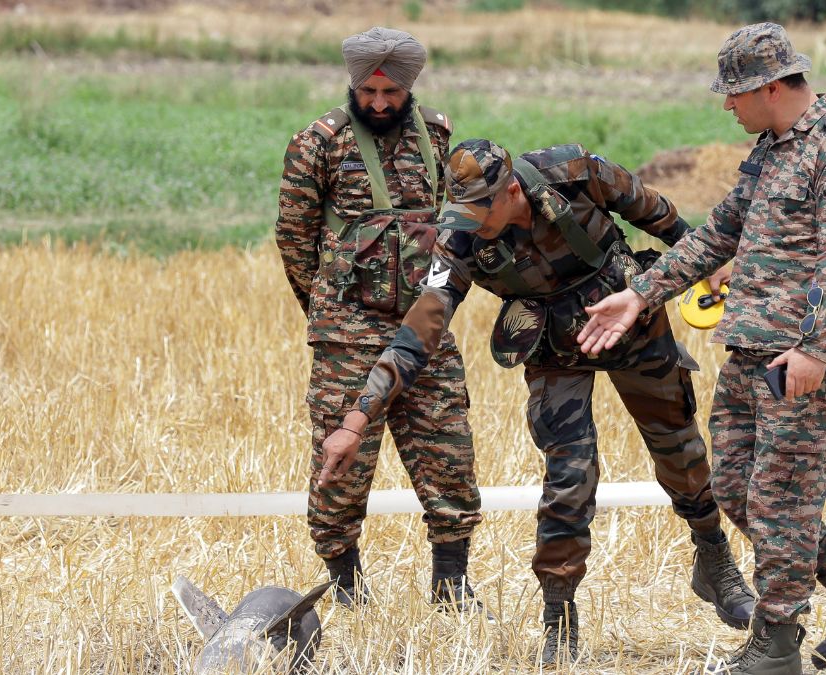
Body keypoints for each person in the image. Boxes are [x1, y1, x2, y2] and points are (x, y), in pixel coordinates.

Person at [320, 138, 756, 664]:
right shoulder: (459, 240)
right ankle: (559, 617)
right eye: (460, 210)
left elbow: (656, 213)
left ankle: (714, 560)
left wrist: (706, 266)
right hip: (553, 348)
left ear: (511, 191)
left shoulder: (572, 171)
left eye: (479, 209)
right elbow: (419, 332)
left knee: (681, 451)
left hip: (627, 318)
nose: (468, 221)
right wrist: (358, 418)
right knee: (570, 476)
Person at [577, 22, 826, 675]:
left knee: (782, 498)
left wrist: (813, 348)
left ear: (772, 87)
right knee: (735, 489)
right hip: (750, 347)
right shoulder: (771, 149)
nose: (727, 104)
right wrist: (641, 294)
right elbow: (718, 234)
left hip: (799, 360)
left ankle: (776, 643)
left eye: (735, 92)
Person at [275, 27, 484, 613]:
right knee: (340, 467)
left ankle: (451, 588)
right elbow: (294, 239)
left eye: (392, 93)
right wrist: (329, 312)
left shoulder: (438, 136)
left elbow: (457, 225)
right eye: (368, 91)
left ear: (410, 87)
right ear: (353, 83)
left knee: (449, 458)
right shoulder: (317, 144)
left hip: (424, 327)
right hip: (347, 334)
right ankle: (346, 590)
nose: (380, 103)